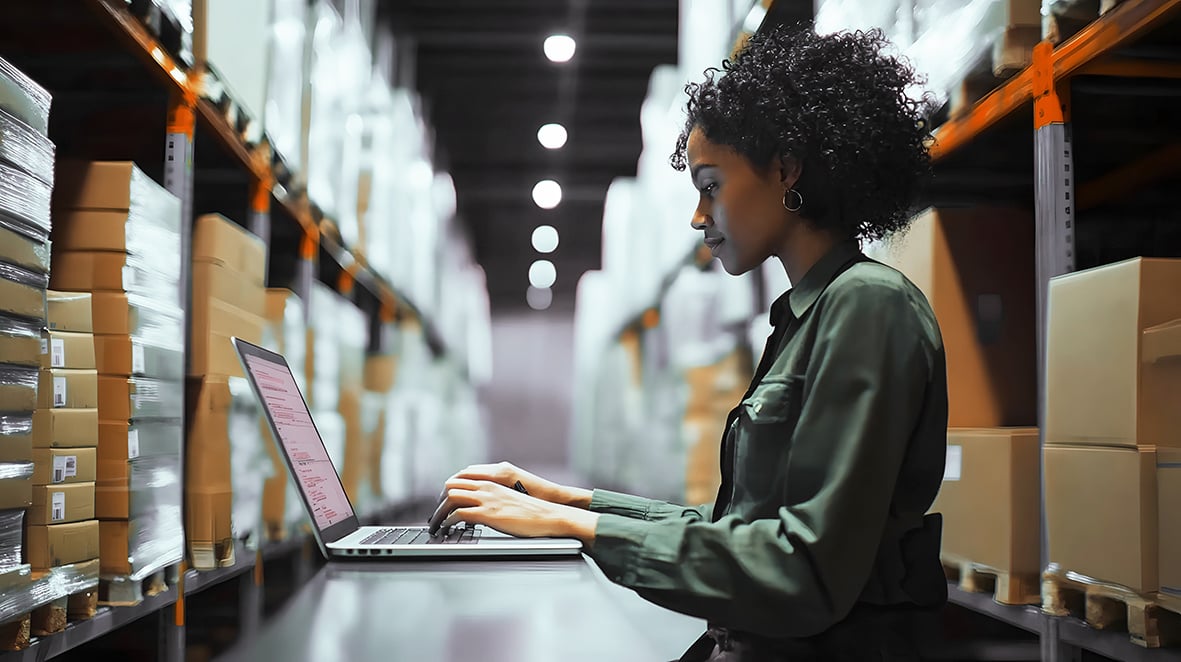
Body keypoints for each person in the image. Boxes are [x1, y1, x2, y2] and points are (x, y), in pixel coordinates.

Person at [429, 24, 948, 661]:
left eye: (710, 186)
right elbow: (741, 531)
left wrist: (577, 527)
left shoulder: (868, 306)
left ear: (785, 169)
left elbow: (802, 570)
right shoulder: (807, 316)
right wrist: (569, 501)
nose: (699, 217)